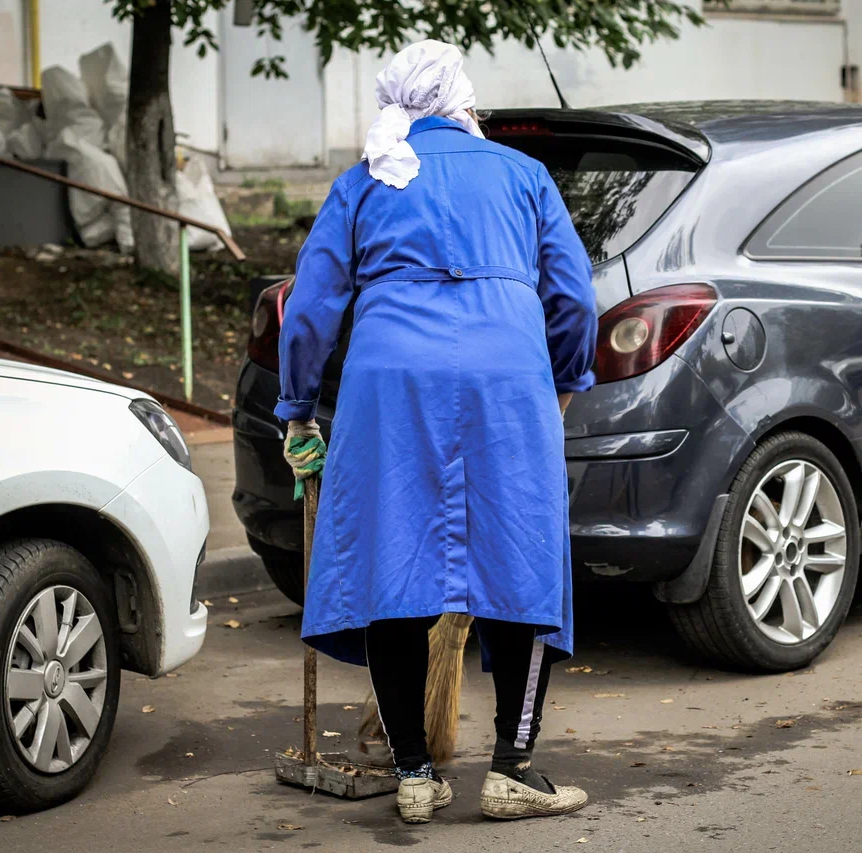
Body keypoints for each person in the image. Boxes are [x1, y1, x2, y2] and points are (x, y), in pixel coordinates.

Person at [275, 40, 598, 824]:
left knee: (393, 563)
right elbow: (575, 299)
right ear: (459, 98)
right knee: (519, 561)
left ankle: (416, 775)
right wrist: (564, 382)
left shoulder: (364, 180)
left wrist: (299, 408)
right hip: (508, 382)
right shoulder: (523, 175)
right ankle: (514, 768)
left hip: (390, 388)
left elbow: (310, 306)